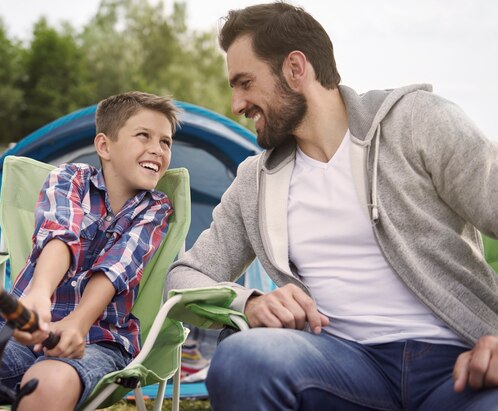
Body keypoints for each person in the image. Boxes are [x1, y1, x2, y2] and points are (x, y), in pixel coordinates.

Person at [165, 3, 498, 410]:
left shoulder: (415, 122)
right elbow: (181, 279)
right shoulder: (255, 182)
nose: (236, 104)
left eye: (245, 83)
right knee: (242, 358)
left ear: (295, 68)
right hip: (341, 365)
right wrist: (248, 303)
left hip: (460, 366)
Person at [0, 91, 181, 411]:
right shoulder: (69, 179)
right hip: (22, 336)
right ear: (104, 146)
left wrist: (78, 324)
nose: (157, 149)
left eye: (165, 142)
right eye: (143, 136)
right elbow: (59, 236)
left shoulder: (155, 207)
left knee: (47, 382)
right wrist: (39, 295)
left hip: (97, 343)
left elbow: (117, 267)